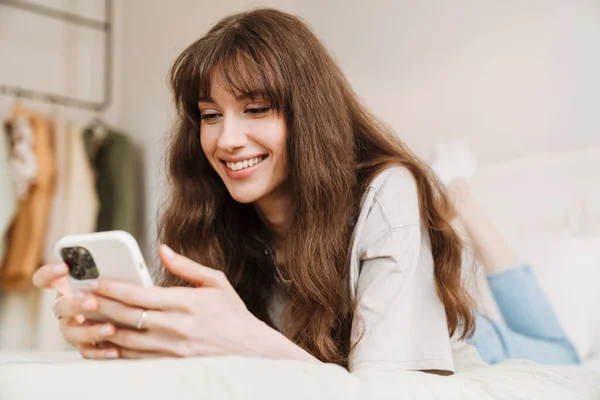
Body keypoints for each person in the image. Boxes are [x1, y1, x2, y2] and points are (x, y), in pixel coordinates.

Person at [32, 8, 476, 374]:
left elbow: (393, 389)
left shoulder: (387, 193)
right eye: (210, 115)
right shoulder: (213, 216)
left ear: (309, 114)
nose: (226, 140)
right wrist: (127, 339)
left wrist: (243, 337)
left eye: (256, 109)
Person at [430, 142, 581, 365]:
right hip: (461, 333)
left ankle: (458, 199)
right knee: (565, 355)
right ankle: (459, 200)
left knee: (566, 356)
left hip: (461, 336)